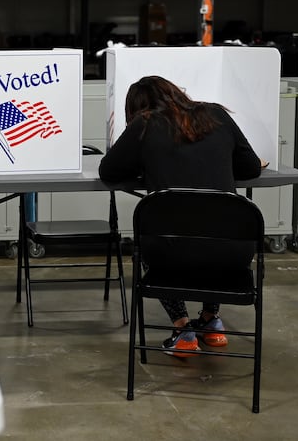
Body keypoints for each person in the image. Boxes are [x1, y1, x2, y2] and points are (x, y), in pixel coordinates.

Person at [99, 75, 263, 357]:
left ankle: (184, 330)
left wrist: (145, 165)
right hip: (234, 255)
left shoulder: (145, 123)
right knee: (213, 232)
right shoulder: (215, 114)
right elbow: (250, 168)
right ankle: (211, 321)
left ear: (138, 108)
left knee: (160, 238)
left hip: (169, 256)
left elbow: (108, 171)